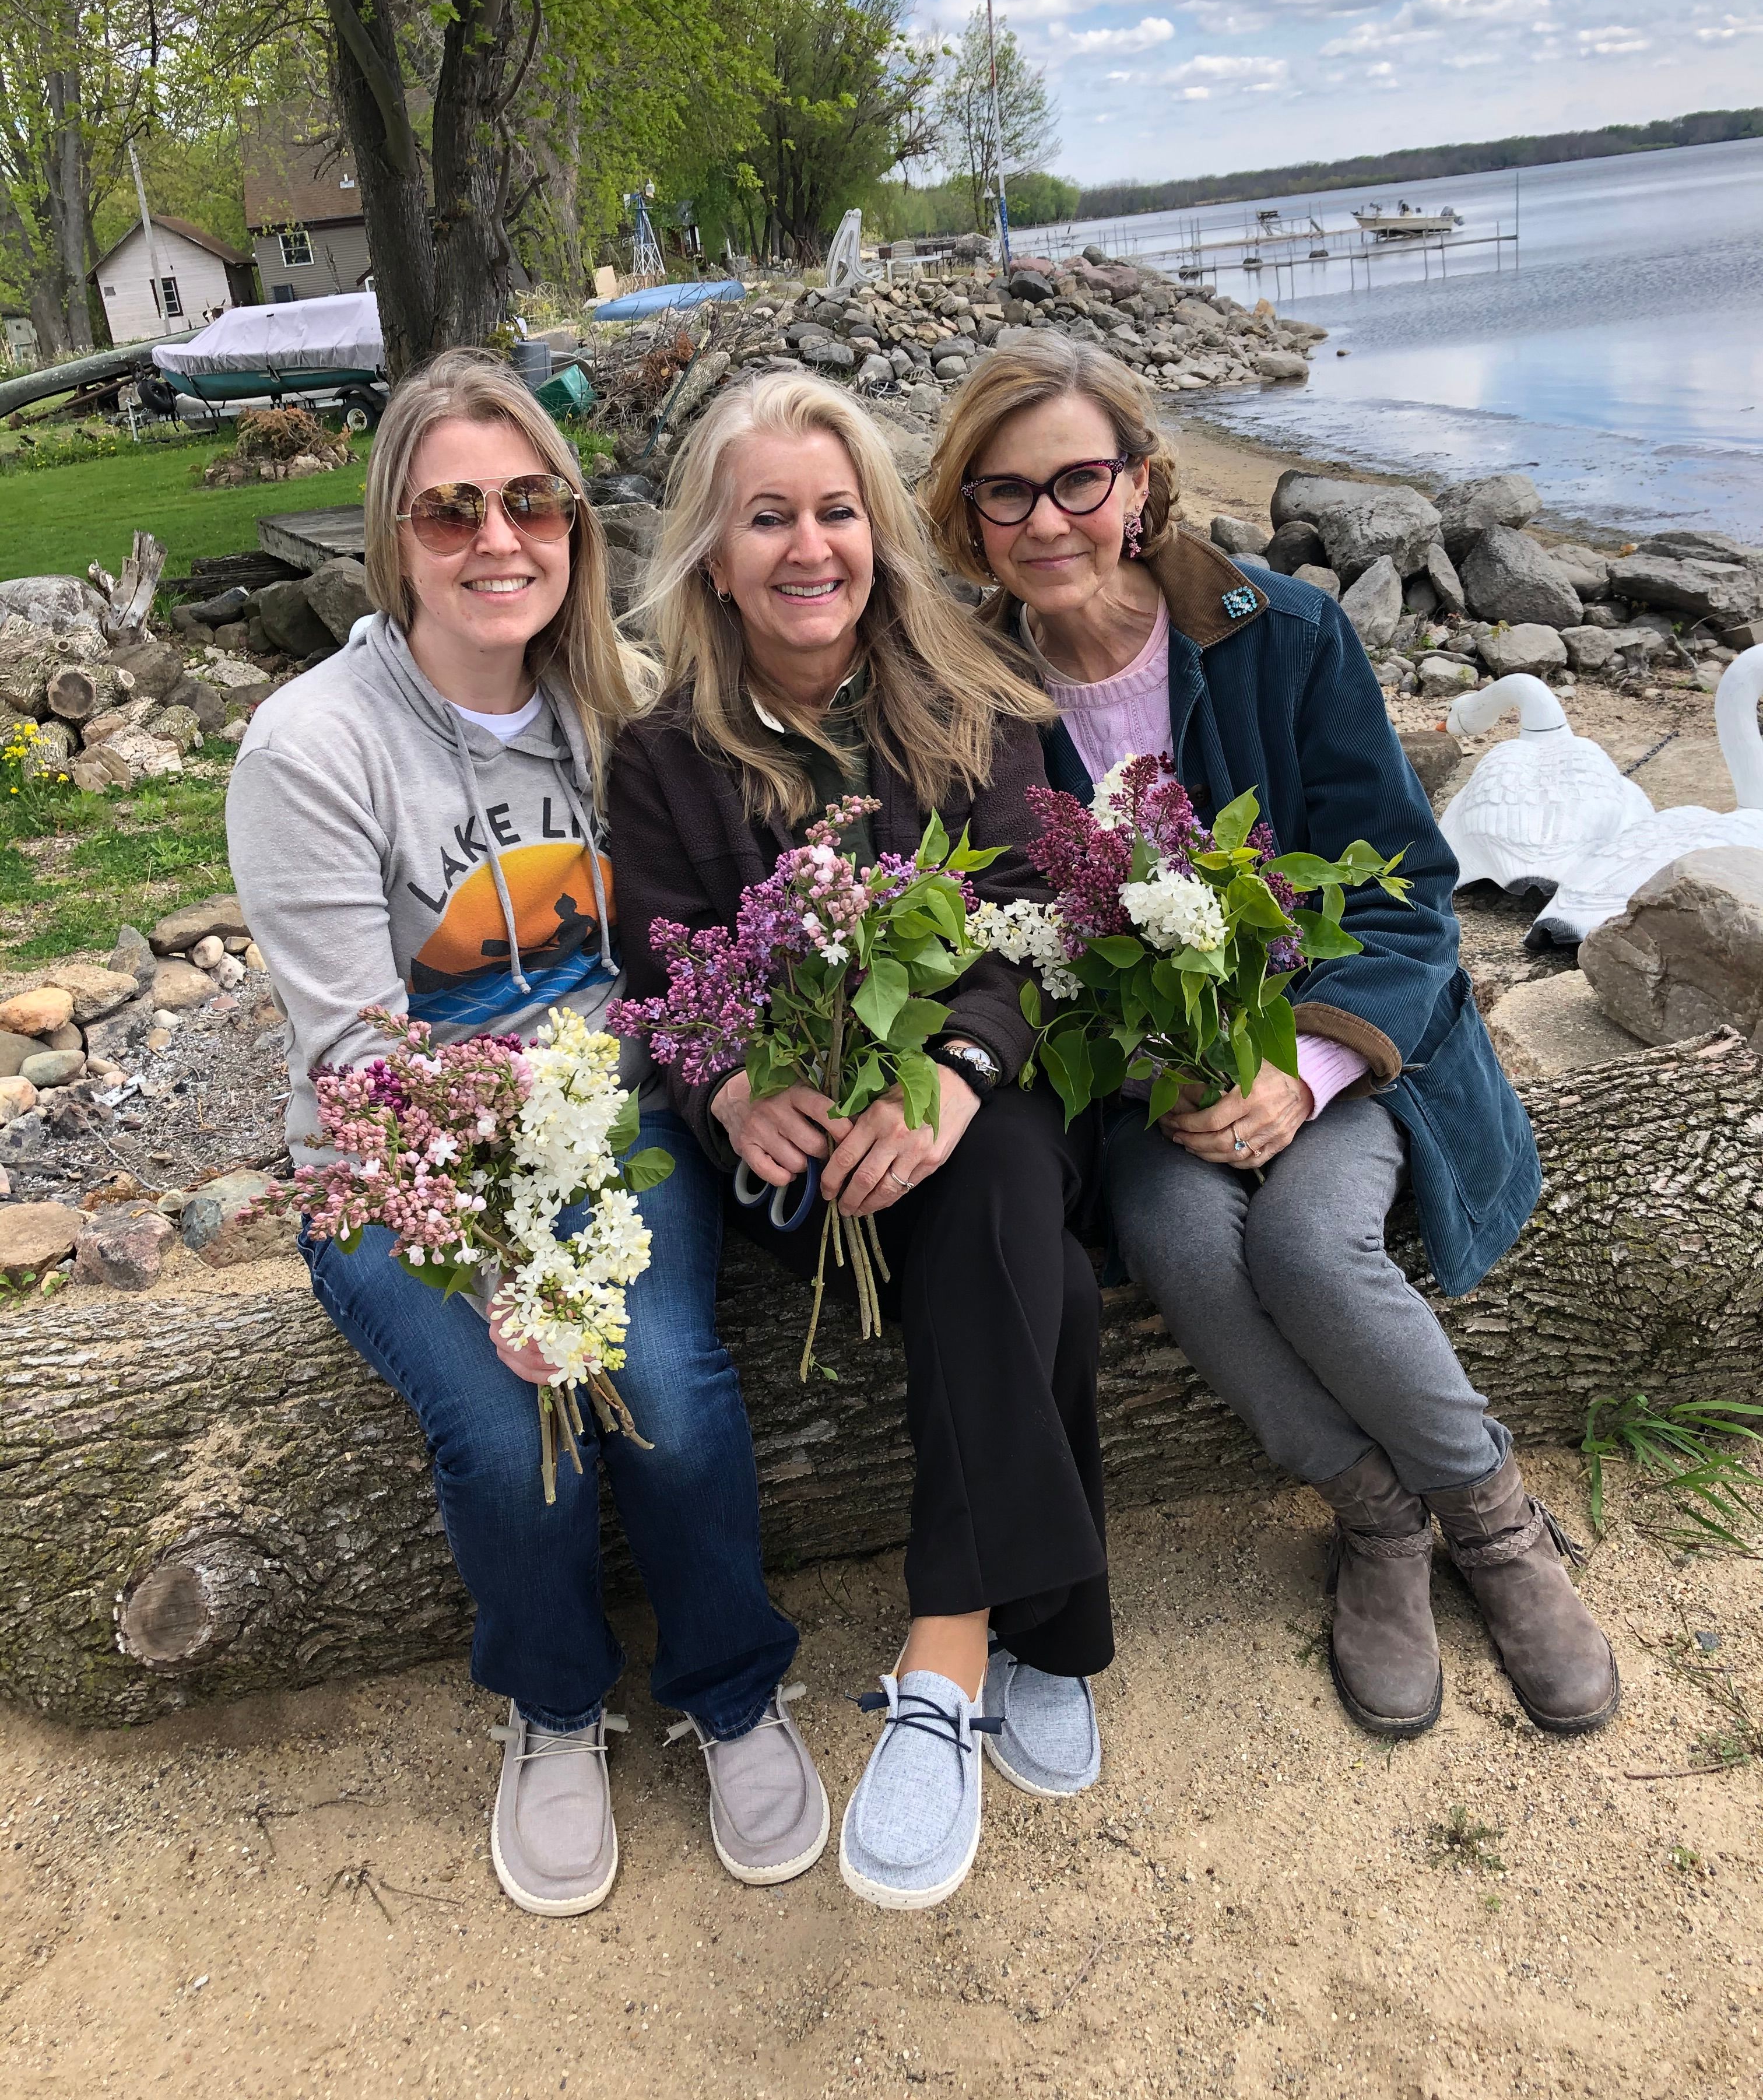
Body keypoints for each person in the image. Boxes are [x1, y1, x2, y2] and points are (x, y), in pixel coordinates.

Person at [922, 333, 1618, 1741]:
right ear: (967, 517)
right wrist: (1148, 1066)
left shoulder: (1280, 635)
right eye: (1004, 494)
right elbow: (984, 923)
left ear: (1139, 480)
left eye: (1076, 479)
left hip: (1333, 1049)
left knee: (1306, 1242)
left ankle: (1494, 1523)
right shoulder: (966, 688)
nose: (1046, 520)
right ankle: (1375, 1520)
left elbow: (1412, 886)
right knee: (1179, 1241)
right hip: (1136, 1081)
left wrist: (1299, 1071)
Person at [227, 349, 827, 1920]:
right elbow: (361, 1058)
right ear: (396, 536)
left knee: (672, 1392)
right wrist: (504, 1260)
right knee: (513, 1430)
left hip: (612, 1132)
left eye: (532, 502)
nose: (500, 541)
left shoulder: (615, 704)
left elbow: (705, 926)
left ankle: (730, 1686)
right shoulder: (313, 748)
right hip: (394, 1166)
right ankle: (557, 1710)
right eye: (451, 512)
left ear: (573, 521)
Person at [610, 370, 1112, 1912]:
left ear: (883, 536)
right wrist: (732, 1095)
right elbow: (661, 966)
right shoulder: (667, 758)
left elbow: (1037, 935)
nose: (808, 547)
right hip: (805, 1158)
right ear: (714, 548)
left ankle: (945, 1650)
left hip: (982, 1105)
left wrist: (959, 1063)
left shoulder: (980, 702)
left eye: (837, 513)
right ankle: (1060, 1622)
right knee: (1039, 1260)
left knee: (1007, 1177)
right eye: (769, 517)